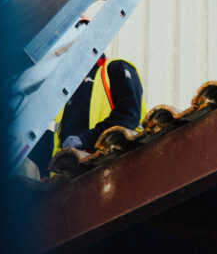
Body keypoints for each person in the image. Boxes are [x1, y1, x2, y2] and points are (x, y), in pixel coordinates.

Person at [26, 18, 144, 174]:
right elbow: (58, 142)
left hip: (111, 165)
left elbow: (128, 116)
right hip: (68, 177)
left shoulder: (115, 69)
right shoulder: (65, 90)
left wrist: (87, 139)